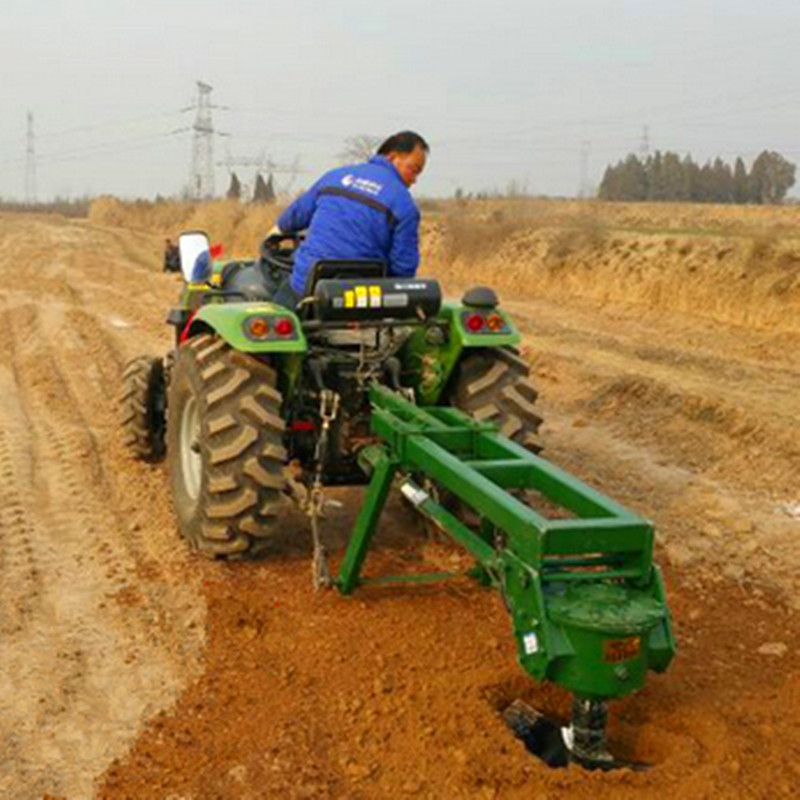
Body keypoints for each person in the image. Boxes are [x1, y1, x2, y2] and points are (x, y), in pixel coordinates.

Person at [270, 131, 429, 309]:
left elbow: (293, 218)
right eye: (413, 170)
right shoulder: (404, 204)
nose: (414, 180)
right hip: (361, 302)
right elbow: (403, 269)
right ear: (393, 157)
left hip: (306, 288)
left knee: (272, 319)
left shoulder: (335, 177)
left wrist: (277, 231)